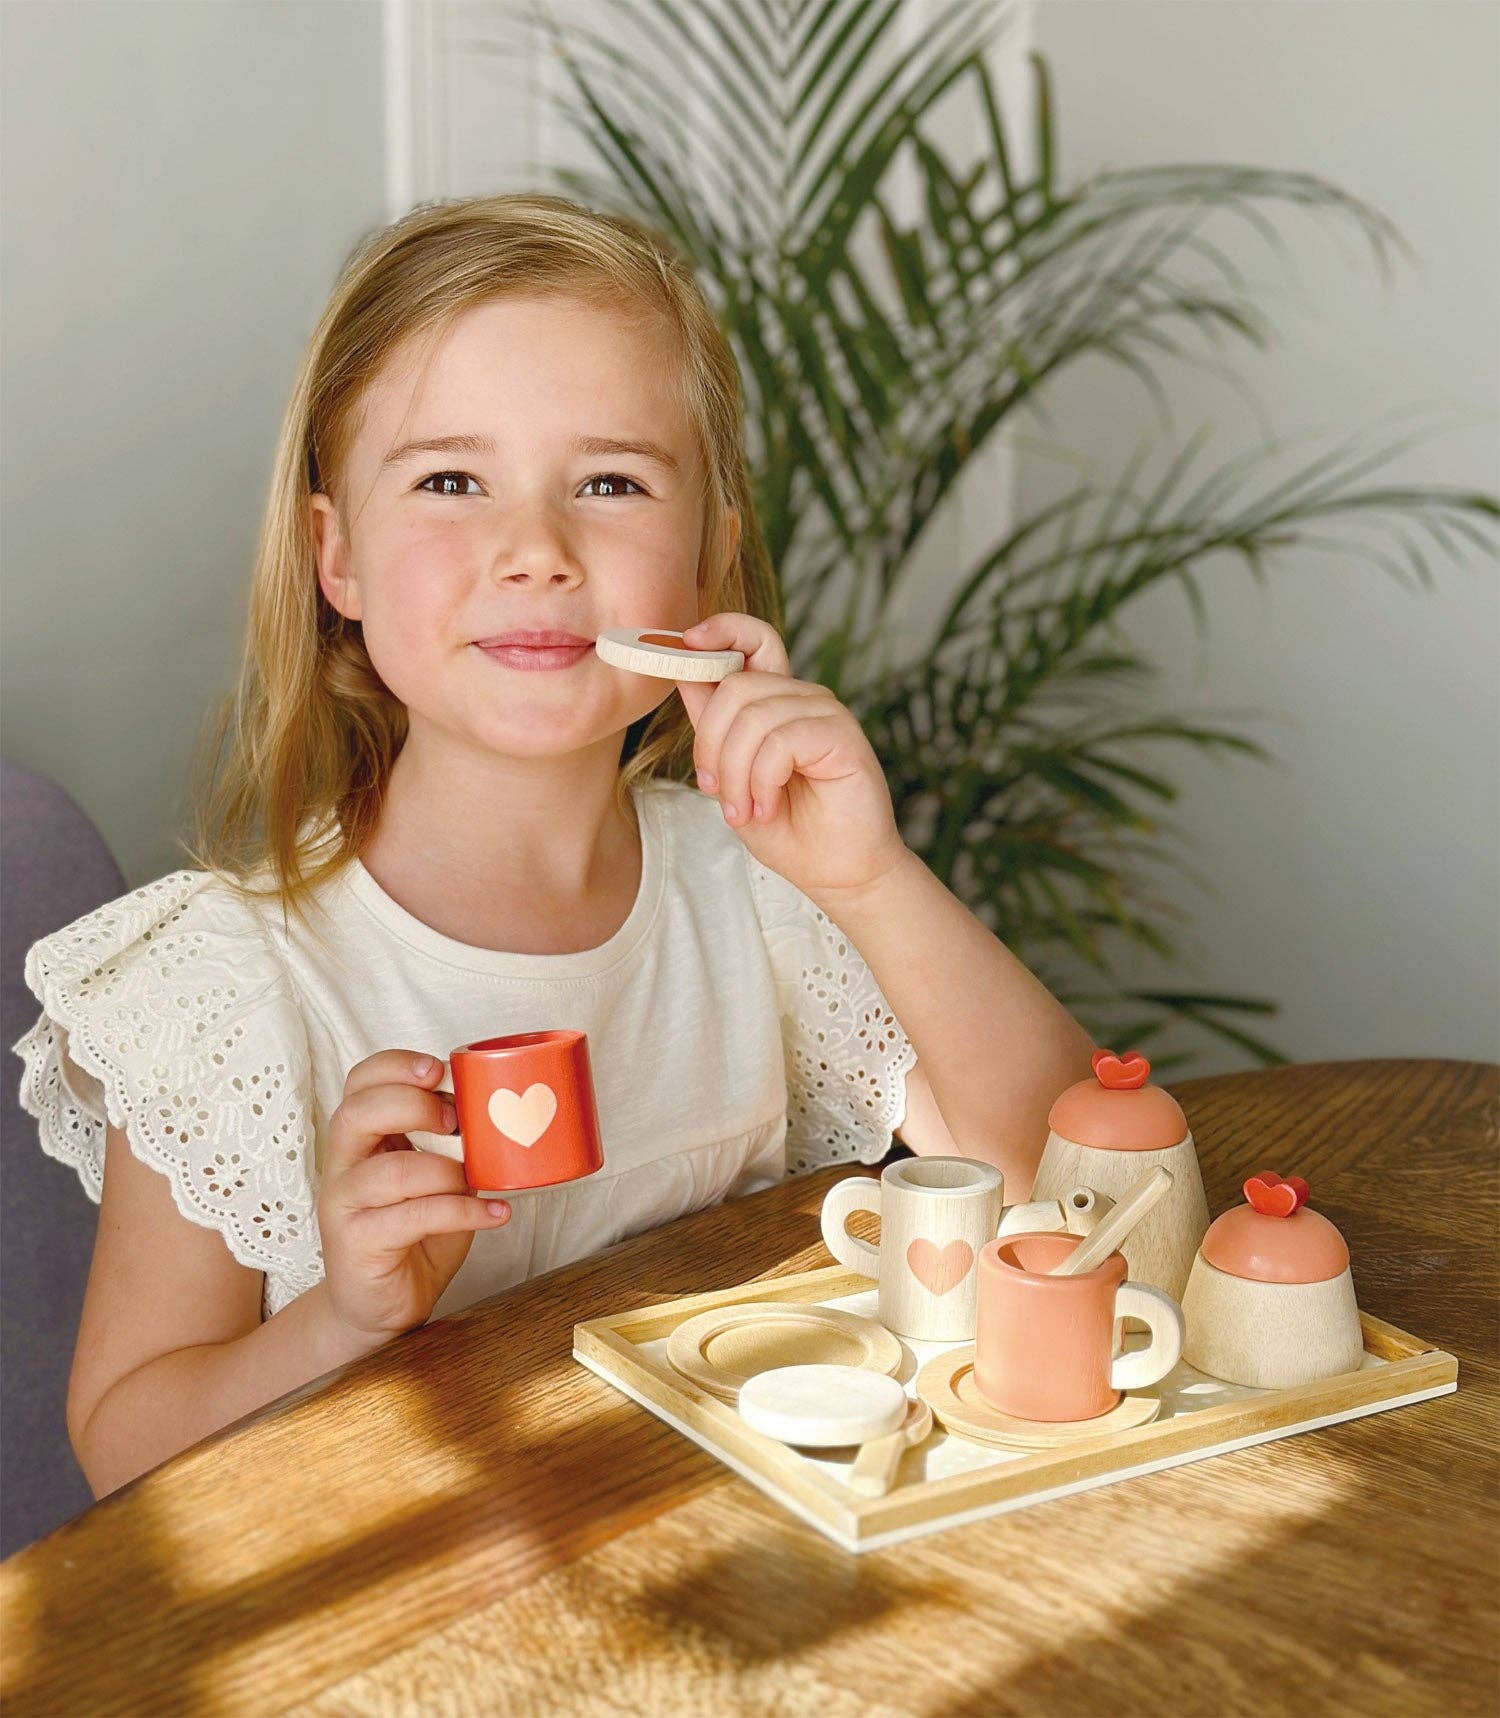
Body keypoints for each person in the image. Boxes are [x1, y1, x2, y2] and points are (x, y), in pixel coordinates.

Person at [12, 193, 1096, 1498]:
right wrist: (343, 1319)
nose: (536, 550)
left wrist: (869, 876)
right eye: (452, 480)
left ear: (705, 563)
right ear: (337, 557)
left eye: (611, 482)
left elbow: (1076, 1189)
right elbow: (121, 1445)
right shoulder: (225, 984)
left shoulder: (762, 891)